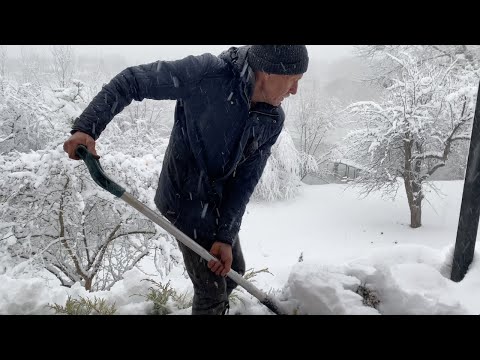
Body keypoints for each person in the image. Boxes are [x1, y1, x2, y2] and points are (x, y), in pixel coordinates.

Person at [63, 45, 309, 315]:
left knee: (234, 271)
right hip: (183, 196)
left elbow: (245, 183)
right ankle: (211, 306)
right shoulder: (207, 74)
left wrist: (225, 236)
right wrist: (87, 127)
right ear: (269, 71)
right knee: (212, 288)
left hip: (216, 199)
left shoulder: (271, 119)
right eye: (293, 80)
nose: (294, 91)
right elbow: (132, 80)